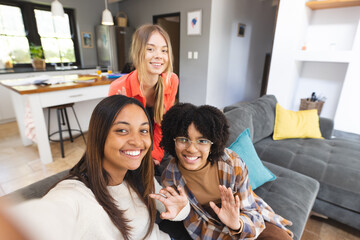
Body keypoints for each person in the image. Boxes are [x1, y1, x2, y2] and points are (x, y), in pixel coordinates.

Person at [3, 95, 189, 240]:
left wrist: (181, 209)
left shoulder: (139, 175)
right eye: (122, 130)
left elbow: (174, 210)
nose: (137, 141)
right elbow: (47, 217)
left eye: (143, 130)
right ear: (99, 136)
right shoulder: (75, 193)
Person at [160, 103, 294, 240]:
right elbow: (189, 218)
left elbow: (251, 211)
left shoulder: (233, 164)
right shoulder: (170, 176)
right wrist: (180, 212)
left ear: (213, 143)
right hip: (210, 227)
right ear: (172, 140)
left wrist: (237, 224)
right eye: (183, 139)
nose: (191, 149)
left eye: (202, 141)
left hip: (243, 216)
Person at [108, 24, 179, 172]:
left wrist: (154, 156)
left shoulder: (171, 81)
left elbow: (162, 126)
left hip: (157, 145)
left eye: (164, 50)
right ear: (138, 52)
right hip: (130, 148)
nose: (159, 55)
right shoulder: (119, 88)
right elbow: (116, 136)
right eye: (150, 49)